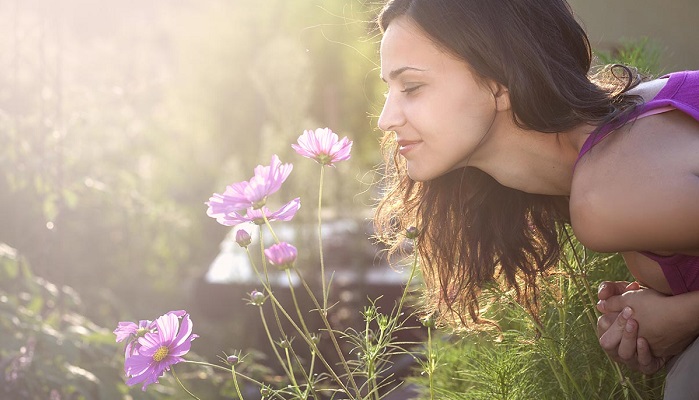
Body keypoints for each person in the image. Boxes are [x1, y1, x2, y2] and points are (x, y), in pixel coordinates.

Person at [371, 0, 699, 397]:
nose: (385, 119)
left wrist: (681, 318)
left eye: (412, 87)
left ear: (498, 82)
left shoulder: (608, 192)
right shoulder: (613, 149)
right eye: (389, 89)